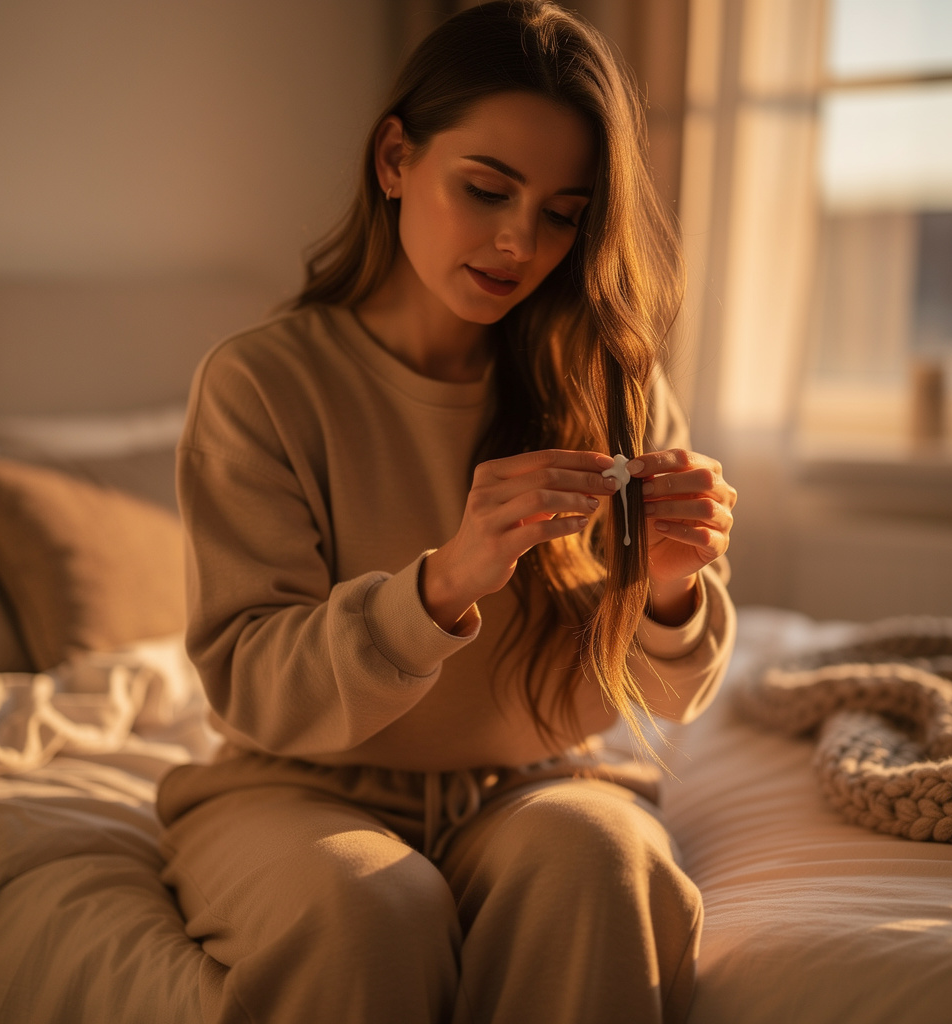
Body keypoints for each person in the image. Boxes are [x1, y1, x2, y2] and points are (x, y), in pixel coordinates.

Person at [157, 2, 737, 1022]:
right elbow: (247, 678)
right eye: (485, 189)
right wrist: (441, 583)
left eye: (563, 212)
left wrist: (671, 589)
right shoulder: (262, 383)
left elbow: (669, 695)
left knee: (603, 865)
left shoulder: (609, 385)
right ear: (394, 159)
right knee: (367, 910)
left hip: (535, 784)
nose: (520, 240)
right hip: (300, 790)